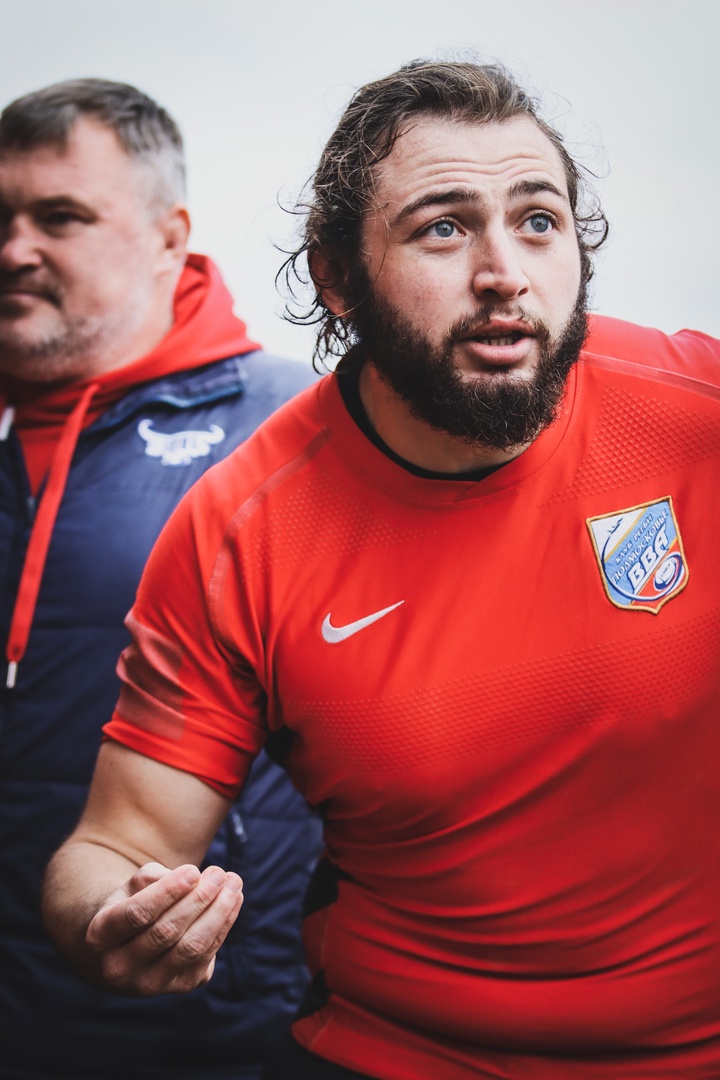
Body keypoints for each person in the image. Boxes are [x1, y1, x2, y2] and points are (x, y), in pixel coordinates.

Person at [43, 60, 720, 1079]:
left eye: (538, 221)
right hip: (391, 1051)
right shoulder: (241, 529)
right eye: (443, 228)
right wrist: (115, 916)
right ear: (338, 277)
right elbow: (116, 843)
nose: (505, 272)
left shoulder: (695, 411)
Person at [0, 78, 321, 1080]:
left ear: (167, 236)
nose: (13, 249)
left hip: (214, 1019)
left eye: (60, 217)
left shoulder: (295, 429)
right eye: (0, 219)